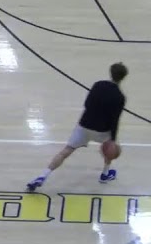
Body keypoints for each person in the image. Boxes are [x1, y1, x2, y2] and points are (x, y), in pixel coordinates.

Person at [27, 62, 127, 191]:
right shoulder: (120, 97)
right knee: (110, 150)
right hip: (103, 130)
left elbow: (87, 104)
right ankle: (105, 174)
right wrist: (112, 140)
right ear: (123, 77)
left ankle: (42, 176)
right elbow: (115, 120)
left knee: (66, 151)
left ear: (111, 72)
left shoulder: (98, 85)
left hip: (84, 124)